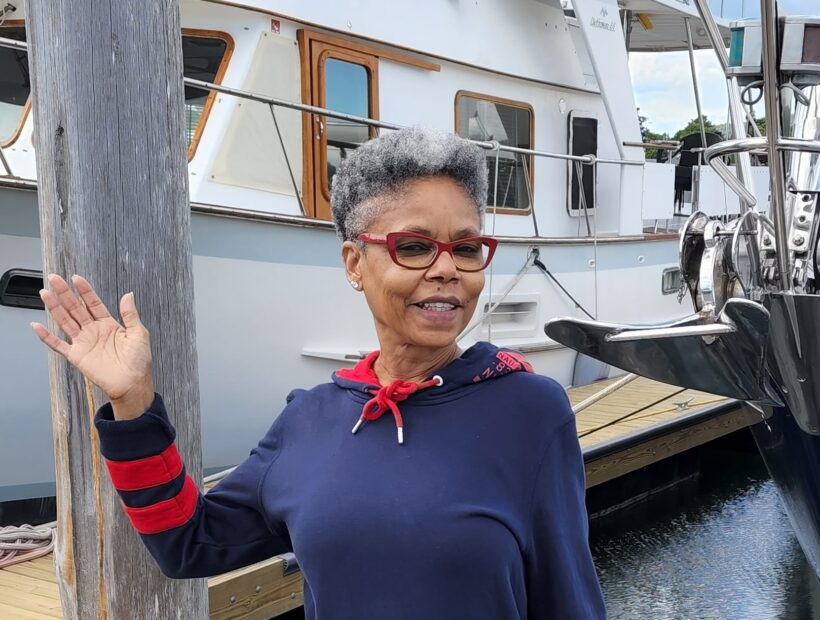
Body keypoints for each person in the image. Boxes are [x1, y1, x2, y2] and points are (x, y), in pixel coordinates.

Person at [32, 127, 606, 619]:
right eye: (413, 247)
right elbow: (188, 543)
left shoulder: (530, 411)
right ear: (355, 263)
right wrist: (134, 403)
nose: (446, 270)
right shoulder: (310, 418)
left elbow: (570, 600)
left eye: (466, 248)